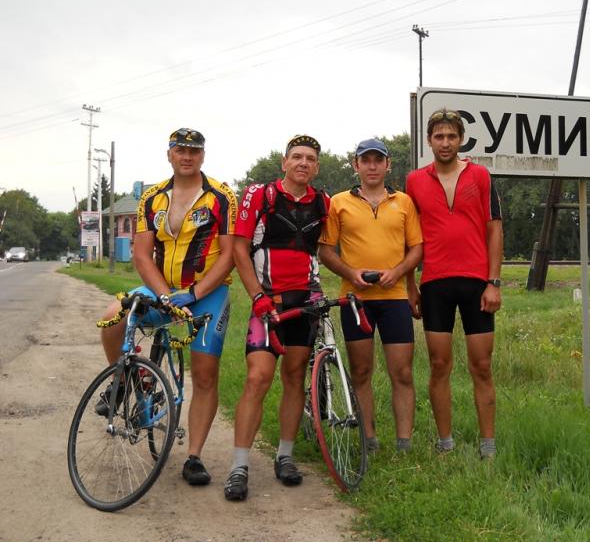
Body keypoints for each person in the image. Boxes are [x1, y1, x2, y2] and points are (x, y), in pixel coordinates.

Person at [97, 127, 237, 484]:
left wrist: (194, 293)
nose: (187, 156)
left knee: (204, 374)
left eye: (194, 151)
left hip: (207, 292)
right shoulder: (152, 198)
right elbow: (142, 255)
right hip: (162, 288)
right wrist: (164, 297)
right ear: (170, 154)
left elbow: (229, 255)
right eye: (180, 150)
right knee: (113, 316)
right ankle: (123, 381)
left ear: (202, 156)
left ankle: (194, 457)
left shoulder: (221, 196)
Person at [224, 134, 330, 501]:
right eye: (297, 157)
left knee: (295, 378)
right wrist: (256, 296)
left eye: (310, 159)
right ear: (284, 162)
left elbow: (329, 249)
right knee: (258, 378)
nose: (303, 163)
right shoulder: (260, 195)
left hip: (305, 302)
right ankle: (239, 466)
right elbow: (239, 249)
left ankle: (285, 456)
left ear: (317, 167)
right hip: (267, 302)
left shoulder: (323, 202)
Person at [405, 109, 503, 459]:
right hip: (434, 284)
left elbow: (494, 230)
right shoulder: (414, 181)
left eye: (451, 136)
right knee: (439, 364)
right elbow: (408, 237)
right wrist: (410, 286)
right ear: (429, 141)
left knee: (481, 365)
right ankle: (445, 443)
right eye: (439, 137)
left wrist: (494, 282)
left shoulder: (481, 175)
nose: (445, 143)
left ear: (461, 139)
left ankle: (488, 446)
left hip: (476, 283)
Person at [318, 138, 423, 453]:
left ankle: (404, 443)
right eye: (366, 161)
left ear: (388, 165)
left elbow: (417, 248)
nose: (372, 166)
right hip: (356, 299)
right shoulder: (338, 203)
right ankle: (369, 440)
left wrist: (398, 272)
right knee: (361, 371)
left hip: (395, 298)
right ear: (356, 165)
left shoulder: (404, 202)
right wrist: (351, 273)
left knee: (402, 372)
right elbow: (326, 250)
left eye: (379, 160)